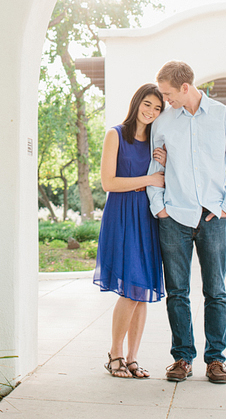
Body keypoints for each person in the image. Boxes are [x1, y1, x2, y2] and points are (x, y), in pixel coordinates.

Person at [145, 60, 226, 384]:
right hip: (174, 216)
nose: (165, 99)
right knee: (177, 292)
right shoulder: (163, 122)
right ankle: (182, 358)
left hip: (212, 217)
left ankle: (216, 360)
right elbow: (154, 168)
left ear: (185, 87)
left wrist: (225, 207)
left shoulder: (223, 116)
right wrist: (159, 207)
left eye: (168, 93)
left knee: (215, 291)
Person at [94, 83, 168, 379]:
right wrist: (147, 178)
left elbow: (162, 180)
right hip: (122, 217)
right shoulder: (116, 135)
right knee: (130, 290)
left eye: (158, 108)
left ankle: (133, 357)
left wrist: (162, 167)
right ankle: (115, 354)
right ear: (137, 102)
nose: (151, 112)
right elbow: (108, 183)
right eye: (147, 104)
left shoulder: (156, 142)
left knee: (143, 289)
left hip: (147, 218)